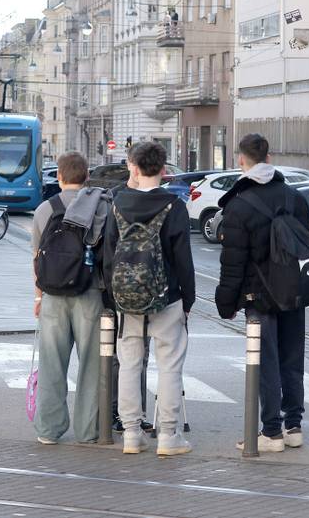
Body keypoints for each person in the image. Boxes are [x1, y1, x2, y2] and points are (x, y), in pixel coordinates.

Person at [215, 133, 309, 453]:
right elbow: (305, 246)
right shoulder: (294, 197)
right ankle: (293, 425)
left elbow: (233, 262)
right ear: (268, 158)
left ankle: (271, 432)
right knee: (292, 358)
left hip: (260, 296)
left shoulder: (238, 205)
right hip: (294, 292)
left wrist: (226, 302)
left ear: (241, 159)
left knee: (265, 361)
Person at [103, 141, 195, 456]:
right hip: (166, 295)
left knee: (129, 362)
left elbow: (108, 255)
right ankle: (168, 435)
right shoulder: (175, 205)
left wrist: (112, 294)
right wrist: (188, 299)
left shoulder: (118, 203)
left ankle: (131, 433)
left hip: (127, 298)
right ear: (164, 170)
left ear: (134, 167)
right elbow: (184, 259)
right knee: (169, 364)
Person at [32, 152, 111, 445]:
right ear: (87, 176)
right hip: (89, 293)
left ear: (60, 177)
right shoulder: (101, 207)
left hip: (52, 295)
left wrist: (38, 297)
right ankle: (88, 430)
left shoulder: (44, 209)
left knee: (52, 362)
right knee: (91, 365)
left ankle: (48, 430)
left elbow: (37, 258)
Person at [107, 157, 154, 435]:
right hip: (119, 291)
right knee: (119, 356)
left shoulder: (152, 199)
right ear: (130, 166)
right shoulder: (115, 198)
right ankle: (117, 411)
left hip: (147, 291)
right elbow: (107, 248)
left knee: (142, 355)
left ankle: (137, 412)